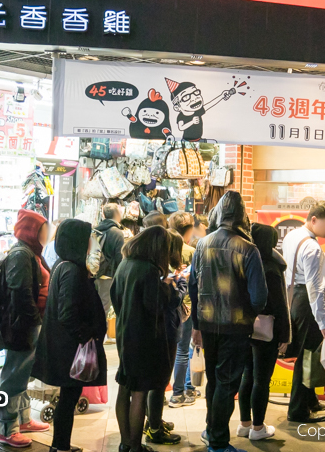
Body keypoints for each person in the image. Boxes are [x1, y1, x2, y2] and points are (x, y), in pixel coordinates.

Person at [189, 191, 267, 452]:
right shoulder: (248, 248)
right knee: (226, 383)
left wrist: (196, 325)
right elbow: (259, 297)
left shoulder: (202, 244)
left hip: (207, 323)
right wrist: (249, 313)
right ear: (242, 214)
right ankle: (219, 442)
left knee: (214, 381)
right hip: (236, 326)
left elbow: (193, 287)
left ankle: (211, 430)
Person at [32, 219, 108, 452]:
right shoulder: (72, 270)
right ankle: (61, 446)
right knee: (68, 398)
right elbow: (67, 313)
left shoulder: (63, 265)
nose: (91, 242)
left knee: (68, 397)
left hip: (64, 346)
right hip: (70, 349)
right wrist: (86, 337)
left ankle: (60, 444)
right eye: (87, 237)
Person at [112, 227, 182, 451]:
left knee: (124, 388)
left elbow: (115, 297)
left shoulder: (125, 264)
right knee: (139, 393)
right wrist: (170, 289)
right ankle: (135, 447)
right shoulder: (149, 270)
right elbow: (156, 305)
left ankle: (125, 443)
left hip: (125, 333)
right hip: (143, 338)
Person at [0, 210, 53, 447]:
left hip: (29, 323)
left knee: (22, 373)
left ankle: (23, 419)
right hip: (22, 325)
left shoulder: (31, 253)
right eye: (42, 230)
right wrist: (34, 321)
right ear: (31, 231)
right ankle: (7, 429)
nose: (46, 235)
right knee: (14, 375)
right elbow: (20, 293)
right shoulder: (21, 255)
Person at [282, 201, 325, 423]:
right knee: (307, 357)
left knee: (308, 355)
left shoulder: (292, 236)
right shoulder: (312, 248)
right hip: (308, 303)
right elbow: (315, 290)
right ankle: (298, 410)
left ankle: (310, 401)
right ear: (314, 219)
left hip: (296, 298)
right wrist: (324, 323)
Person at [237, 223, 290, 440]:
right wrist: (285, 335)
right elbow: (280, 305)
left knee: (247, 376)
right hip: (267, 329)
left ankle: (244, 424)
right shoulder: (271, 268)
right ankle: (258, 428)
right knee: (261, 379)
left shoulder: (245, 262)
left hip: (245, 327)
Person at [168, 212, 198, 407]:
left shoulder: (163, 248)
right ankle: (179, 392)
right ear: (189, 230)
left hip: (168, 304)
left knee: (170, 349)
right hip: (186, 305)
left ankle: (180, 388)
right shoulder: (191, 251)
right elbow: (195, 281)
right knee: (184, 350)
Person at [94, 203, 126, 319]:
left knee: (96, 306)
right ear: (117, 214)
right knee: (106, 310)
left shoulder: (96, 229)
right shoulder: (116, 232)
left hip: (95, 272)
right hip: (108, 275)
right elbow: (119, 258)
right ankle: (104, 330)